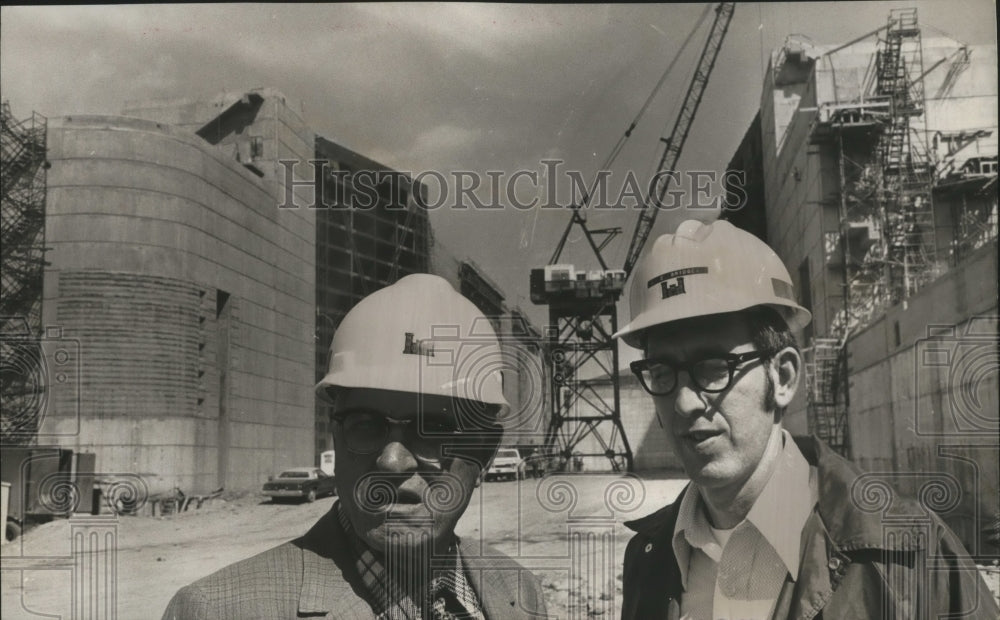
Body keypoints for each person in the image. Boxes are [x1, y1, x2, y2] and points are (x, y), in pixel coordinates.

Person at [614, 220, 998, 619]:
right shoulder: (649, 557)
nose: (683, 402)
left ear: (782, 378)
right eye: (661, 373)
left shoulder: (910, 556)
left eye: (713, 368)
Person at [162, 274, 547, 619]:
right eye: (366, 425)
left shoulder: (517, 591)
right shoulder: (216, 610)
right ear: (336, 436)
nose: (392, 461)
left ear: (484, 452)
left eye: (432, 430)